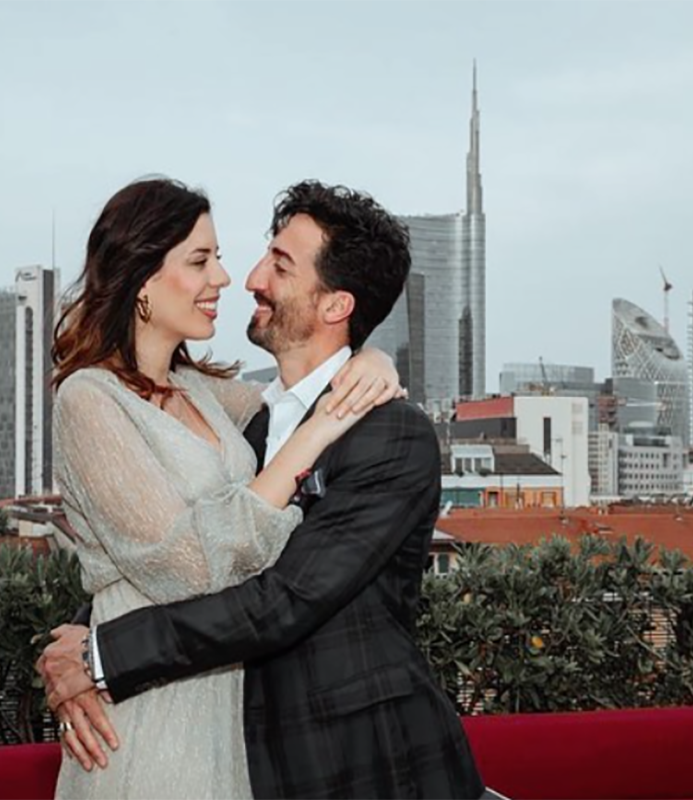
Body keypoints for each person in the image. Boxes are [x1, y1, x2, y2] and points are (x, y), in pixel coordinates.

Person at [42, 179, 488, 800]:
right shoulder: (245, 421)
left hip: (364, 763)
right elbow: (156, 533)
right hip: (231, 750)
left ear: (335, 306)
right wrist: (80, 633)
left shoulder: (392, 435)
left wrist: (100, 655)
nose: (247, 279)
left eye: (279, 266)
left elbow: (282, 600)